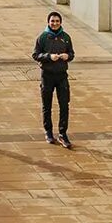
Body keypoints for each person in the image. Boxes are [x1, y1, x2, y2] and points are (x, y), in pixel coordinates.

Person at [33, 10, 75, 148]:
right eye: (52, 21)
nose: (55, 23)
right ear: (48, 22)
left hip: (62, 76)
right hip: (47, 76)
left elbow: (72, 53)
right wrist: (48, 57)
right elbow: (36, 55)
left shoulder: (66, 37)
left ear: (60, 22)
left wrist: (67, 56)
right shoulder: (43, 37)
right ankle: (48, 132)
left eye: (57, 21)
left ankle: (63, 133)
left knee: (64, 105)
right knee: (47, 105)